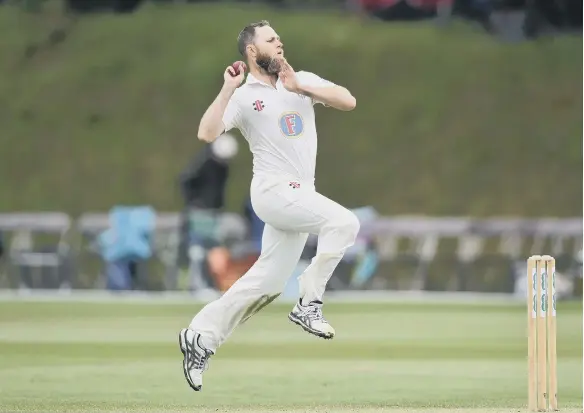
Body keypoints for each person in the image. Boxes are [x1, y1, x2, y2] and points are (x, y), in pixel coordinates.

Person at [179, 20, 359, 392]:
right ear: (251, 51)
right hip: (273, 190)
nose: (279, 43)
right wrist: (227, 89)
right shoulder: (244, 96)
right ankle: (309, 304)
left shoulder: (300, 80)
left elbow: (348, 101)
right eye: (270, 40)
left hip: (299, 193)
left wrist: (301, 86)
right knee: (344, 223)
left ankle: (200, 337)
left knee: (268, 283)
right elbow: (207, 133)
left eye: (278, 38)